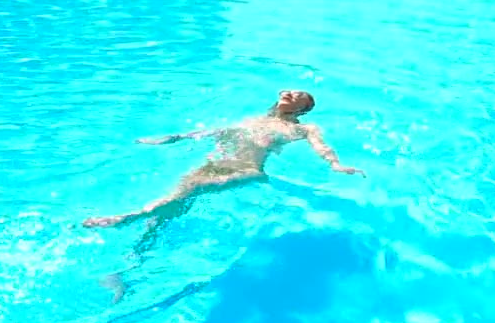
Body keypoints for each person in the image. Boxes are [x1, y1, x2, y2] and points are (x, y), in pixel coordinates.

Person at [82, 90, 366, 229]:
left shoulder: (302, 128)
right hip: (214, 164)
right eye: (286, 91)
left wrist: (335, 164)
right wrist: (174, 138)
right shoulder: (255, 119)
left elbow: (321, 146)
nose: (287, 93)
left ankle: (126, 218)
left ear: (304, 108)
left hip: (247, 170)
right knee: (167, 211)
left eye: (296, 95)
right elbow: (212, 132)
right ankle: (131, 266)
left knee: (188, 192)